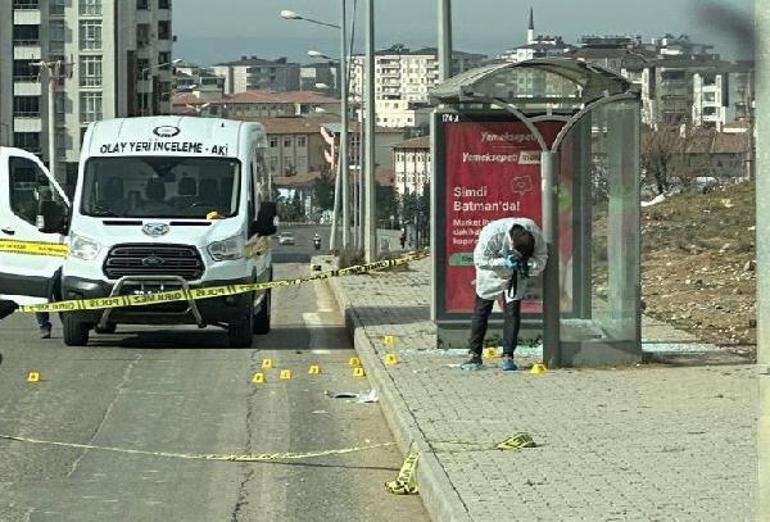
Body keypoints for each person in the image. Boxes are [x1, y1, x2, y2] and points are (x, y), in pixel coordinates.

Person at [461, 217, 548, 372]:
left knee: (512, 311)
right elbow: (480, 259)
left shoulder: (536, 234)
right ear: (511, 243)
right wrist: (503, 263)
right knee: (482, 309)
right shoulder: (493, 233)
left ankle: (508, 355)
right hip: (492, 273)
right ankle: (474, 354)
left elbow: (541, 260)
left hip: (517, 274)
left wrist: (525, 264)